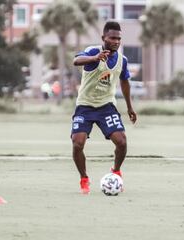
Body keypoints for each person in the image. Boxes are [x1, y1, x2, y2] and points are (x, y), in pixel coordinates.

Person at [71, 21, 137, 194]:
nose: (116, 41)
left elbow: (124, 82)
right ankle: (84, 178)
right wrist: (94, 58)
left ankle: (116, 170)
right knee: (77, 144)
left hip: (106, 107)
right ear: (104, 38)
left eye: (119, 39)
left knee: (122, 142)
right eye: (112, 38)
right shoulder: (93, 51)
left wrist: (130, 107)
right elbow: (76, 60)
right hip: (85, 106)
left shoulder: (122, 60)